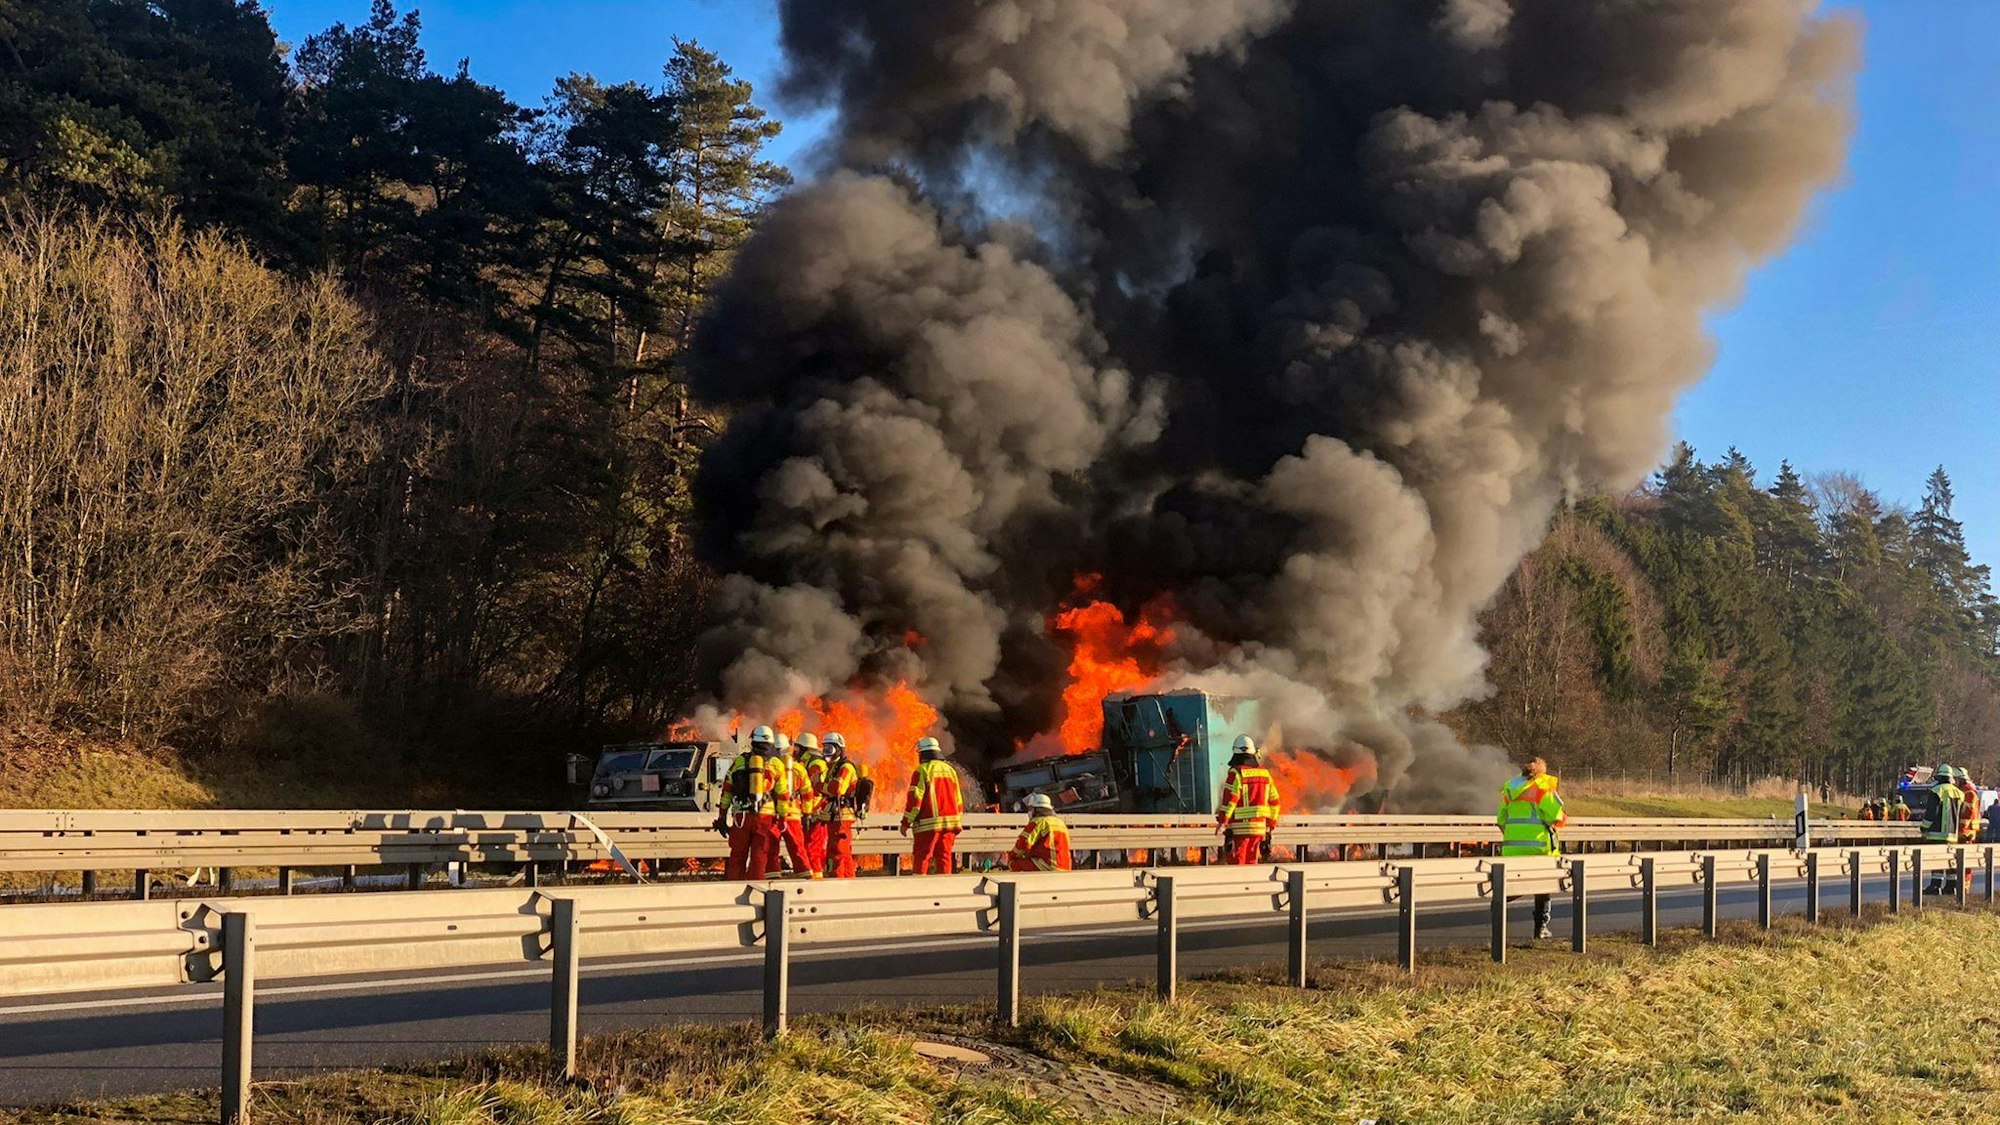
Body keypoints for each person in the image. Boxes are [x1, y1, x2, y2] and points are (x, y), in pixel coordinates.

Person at [1497, 756, 1567, 939]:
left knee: (1512, 886)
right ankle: (1540, 928)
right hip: (1539, 848)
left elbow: (1501, 820)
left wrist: (1514, 837)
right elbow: (1557, 817)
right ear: (1541, 771)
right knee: (1543, 889)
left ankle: (1498, 906)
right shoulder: (1542, 788)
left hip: (1512, 849)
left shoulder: (1511, 789)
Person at [901, 736, 964, 874]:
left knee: (922, 858)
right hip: (950, 825)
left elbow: (915, 801)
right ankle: (944, 890)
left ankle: (919, 889)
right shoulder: (950, 771)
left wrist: (906, 822)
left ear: (923, 753)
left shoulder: (922, 770)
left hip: (928, 825)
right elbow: (958, 800)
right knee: (944, 858)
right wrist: (957, 819)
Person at [1214, 736, 1281, 865]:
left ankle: (1238, 885)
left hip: (1240, 829)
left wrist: (1223, 822)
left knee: (1237, 862)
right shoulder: (1265, 774)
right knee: (1251, 862)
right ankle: (1250, 885)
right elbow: (1275, 802)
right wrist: (1270, 824)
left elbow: (1230, 801)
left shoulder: (1236, 773)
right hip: (1259, 829)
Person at [724, 727, 778, 880]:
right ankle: (756, 891)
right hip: (765, 818)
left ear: (753, 741)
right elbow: (783, 794)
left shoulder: (740, 760)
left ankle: (732, 890)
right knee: (759, 855)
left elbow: (727, 789)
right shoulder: (776, 763)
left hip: (741, 816)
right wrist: (783, 817)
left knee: (737, 855)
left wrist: (722, 816)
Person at [766, 733, 819, 878]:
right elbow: (807, 793)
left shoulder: (770, 765)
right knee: (797, 846)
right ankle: (805, 874)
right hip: (793, 813)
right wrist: (807, 814)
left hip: (773, 813)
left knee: (771, 847)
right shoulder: (798, 768)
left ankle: (773, 875)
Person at [820, 732, 867, 878]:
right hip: (835, 815)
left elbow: (837, 789)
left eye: (830, 749)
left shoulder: (846, 767)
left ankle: (837, 882)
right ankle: (848, 882)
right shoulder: (834, 767)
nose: (827, 753)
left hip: (842, 816)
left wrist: (819, 785)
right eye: (825, 748)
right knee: (844, 853)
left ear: (839, 749)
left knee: (838, 852)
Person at [1008, 793, 1073, 872]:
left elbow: (1023, 844)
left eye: (1031, 808)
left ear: (1037, 809)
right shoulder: (1060, 823)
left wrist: (1011, 857)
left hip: (1048, 866)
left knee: (1015, 864)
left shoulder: (1038, 822)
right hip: (1065, 867)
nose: (1029, 811)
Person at [796, 732, 830, 873]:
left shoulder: (815, 763)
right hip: (812, 811)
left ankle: (815, 884)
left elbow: (813, 788)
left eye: (797, 748)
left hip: (816, 812)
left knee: (812, 850)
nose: (795, 751)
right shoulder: (808, 762)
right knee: (810, 849)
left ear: (804, 748)